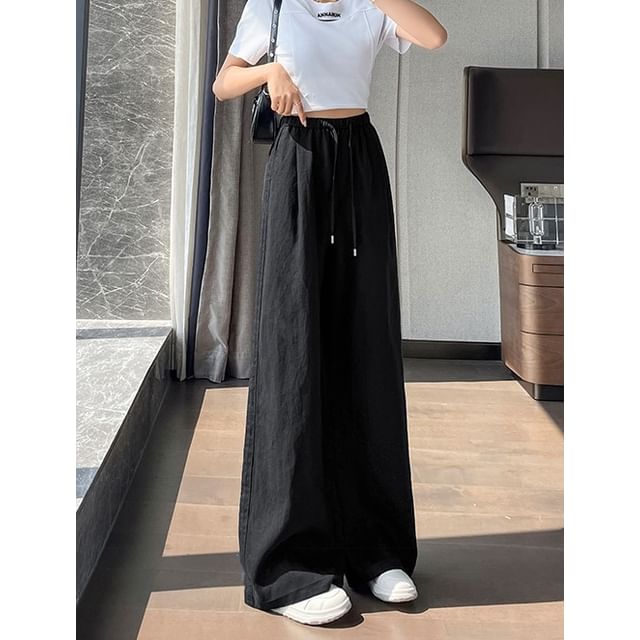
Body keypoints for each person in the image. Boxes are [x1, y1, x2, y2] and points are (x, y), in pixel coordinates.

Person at [213, 0, 447, 626]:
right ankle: (291, 565)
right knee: (294, 351)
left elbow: (433, 36)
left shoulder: (372, 7)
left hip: (360, 164)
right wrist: (269, 73)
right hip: (299, 163)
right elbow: (223, 83)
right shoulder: (274, 6)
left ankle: (375, 550)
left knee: (367, 348)